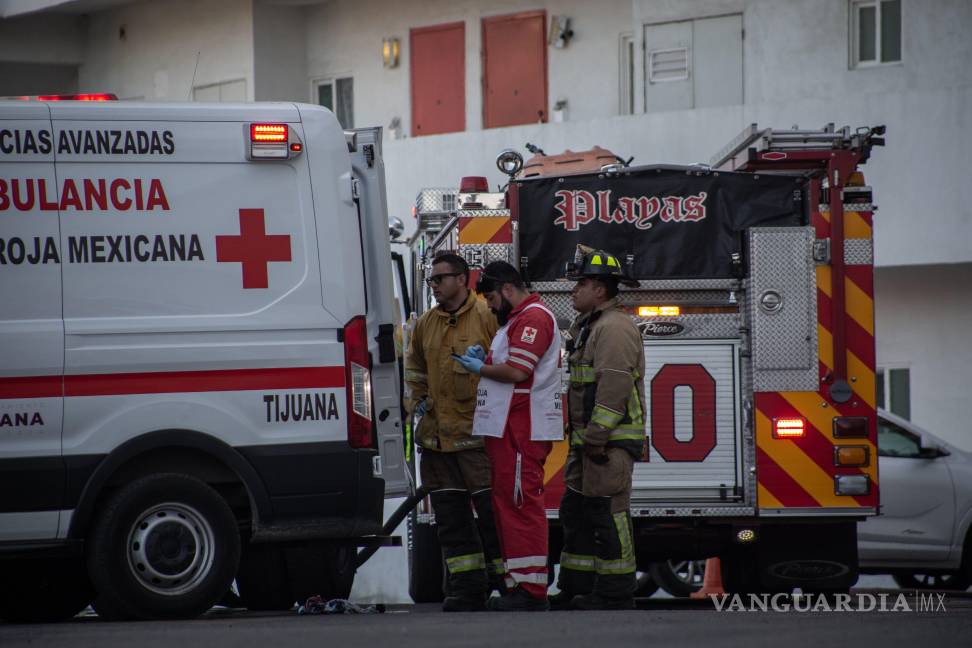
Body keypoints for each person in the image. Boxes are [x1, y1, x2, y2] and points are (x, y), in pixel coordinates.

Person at [454, 261, 563, 612]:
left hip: (521, 428)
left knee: (520, 503)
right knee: (509, 503)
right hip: (510, 428)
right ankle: (519, 583)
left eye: (490, 298)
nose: (489, 306)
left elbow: (517, 371)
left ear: (508, 289)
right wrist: (485, 357)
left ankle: (531, 589)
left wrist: (481, 367)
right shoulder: (517, 321)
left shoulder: (533, 319)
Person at [404, 252, 503, 612]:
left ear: (462, 279)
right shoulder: (426, 323)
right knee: (451, 521)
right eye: (430, 279)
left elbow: (508, 367)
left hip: (478, 440)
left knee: (493, 518)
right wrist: (416, 400)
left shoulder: (488, 317)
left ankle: (509, 586)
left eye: (439, 279)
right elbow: (414, 368)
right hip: (438, 442)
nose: (433, 285)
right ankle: (467, 588)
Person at [552, 249, 646, 610]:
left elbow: (613, 387)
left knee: (609, 514)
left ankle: (615, 592)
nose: (574, 290)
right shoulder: (590, 325)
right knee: (577, 513)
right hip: (588, 444)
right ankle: (576, 585)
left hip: (608, 444)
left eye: (582, 283)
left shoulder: (614, 328)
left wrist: (596, 436)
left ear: (601, 290)